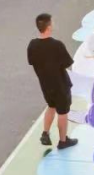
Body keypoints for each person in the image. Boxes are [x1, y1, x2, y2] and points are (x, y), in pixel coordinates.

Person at [27, 13, 78, 150]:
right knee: (63, 113)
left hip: (45, 85)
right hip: (60, 85)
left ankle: (45, 133)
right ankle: (63, 141)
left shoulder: (32, 45)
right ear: (49, 26)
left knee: (51, 106)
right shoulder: (57, 45)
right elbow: (67, 63)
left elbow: (32, 61)